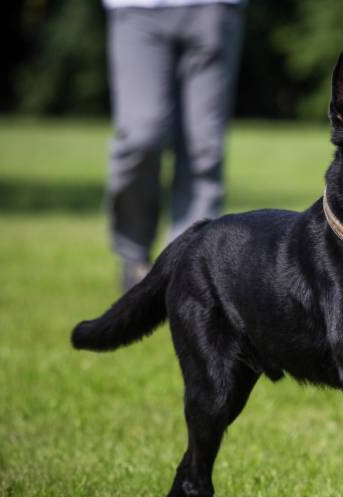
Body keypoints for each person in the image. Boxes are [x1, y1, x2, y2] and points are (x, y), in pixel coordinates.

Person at [102, 0, 245, 289]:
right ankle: (134, 257)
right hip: (136, 9)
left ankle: (187, 270)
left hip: (213, 7)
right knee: (141, 137)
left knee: (203, 150)